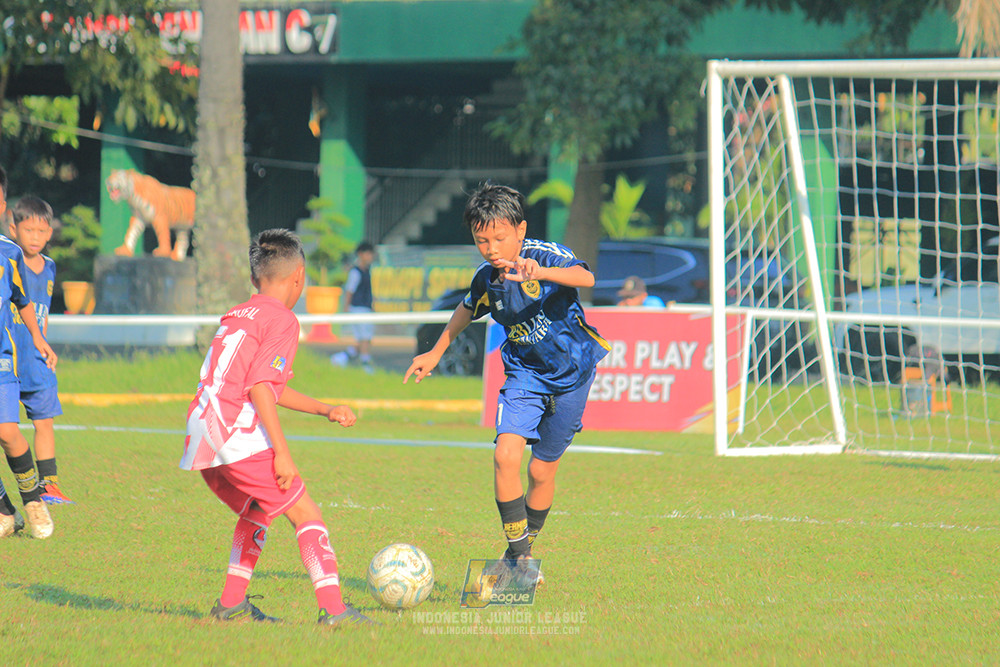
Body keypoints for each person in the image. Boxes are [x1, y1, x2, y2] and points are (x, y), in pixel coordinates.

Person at [404, 183, 609, 583]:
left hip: (574, 373)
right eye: (482, 241)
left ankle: (518, 554)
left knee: (542, 473)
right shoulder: (487, 279)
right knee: (505, 457)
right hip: (524, 375)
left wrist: (542, 272)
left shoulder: (544, 256)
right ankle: (521, 561)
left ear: (520, 230)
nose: (492, 248)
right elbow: (465, 310)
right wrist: (435, 352)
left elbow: (586, 277)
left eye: (500, 238)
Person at [180, 228, 374, 626]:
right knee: (307, 513)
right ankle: (335, 610)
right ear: (300, 276)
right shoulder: (282, 319)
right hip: (235, 432)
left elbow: (267, 383)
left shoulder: (240, 314)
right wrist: (282, 454)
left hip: (203, 431)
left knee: (257, 510)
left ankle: (231, 604)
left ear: (255, 279)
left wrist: (324, 409)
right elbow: (261, 387)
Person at [0, 167, 58, 539]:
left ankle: (32, 498)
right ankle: (6, 511)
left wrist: (38, 337)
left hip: (2, 359)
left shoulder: (9, 254)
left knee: (7, 431)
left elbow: (23, 300)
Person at [8, 195, 70, 505]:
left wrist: (44, 344)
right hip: (8, 357)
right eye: (29, 230)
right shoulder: (7, 262)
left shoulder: (50, 267)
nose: (36, 237)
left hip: (37, 358)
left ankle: (50, 486)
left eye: (42, 231)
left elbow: (41, 314)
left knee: (45, 421)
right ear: (13, 228)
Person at [331, 241, 376, 373]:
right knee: (364, 339)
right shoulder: (355, 272)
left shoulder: (367, 271)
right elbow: (350, 290)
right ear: (361, 254)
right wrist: (346, 307)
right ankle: (365, 364)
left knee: (365, 340)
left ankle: (341, 358)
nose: (370, 256)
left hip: (366, 309)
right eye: (368, 253)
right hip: (358, 309)